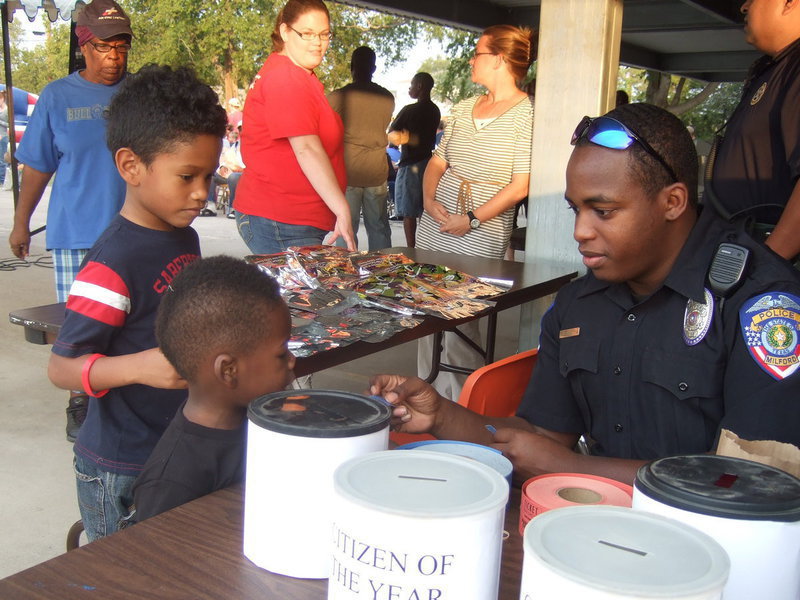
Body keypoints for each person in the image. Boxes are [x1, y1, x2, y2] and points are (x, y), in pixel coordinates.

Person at [373, 103, 800, 486]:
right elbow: (540, 439)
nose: (580, 231)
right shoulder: (578, 305)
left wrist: (573, 469)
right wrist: (443, 417)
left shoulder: (760, 304)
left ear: (672, 202)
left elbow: (759, 480)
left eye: (604, 211)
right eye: (575, 209)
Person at [46, 64, 228, 541]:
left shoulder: (184, 237)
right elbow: (62, 369)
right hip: (119, 464)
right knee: (126, 576)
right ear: (131, 166)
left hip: (174, 441)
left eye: (208, 176)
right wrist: (141, 366)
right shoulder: (113, 263)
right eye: (187, 175)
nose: (201, 193)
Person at [8, 0, 132, 442]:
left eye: (121, 46)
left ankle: (123, 397)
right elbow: (37, 167)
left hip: (135, 235)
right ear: (84, 46)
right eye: (103, 47)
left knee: (132, 325)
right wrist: (21, 222)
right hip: (76, 235)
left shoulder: (140, 94)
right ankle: (80, 401)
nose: (114, 57)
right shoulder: (58, 96)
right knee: (81, 327)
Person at [416, 25, 536, 398]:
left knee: (462, 315)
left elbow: (521, 185)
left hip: (482, 229)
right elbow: (437, 162)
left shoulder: (526, 114)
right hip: (435, 221)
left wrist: (470, 219)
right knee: (424, 307)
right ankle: (425, 390)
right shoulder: (465, 107)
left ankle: (461, 402)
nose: (472, 59)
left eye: (478, 52)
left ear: (499, 59)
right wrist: (428, 199)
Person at [131, 256, 295, 522]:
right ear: (228, 371)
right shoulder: (170, 484)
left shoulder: (263, 421)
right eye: (281, 353)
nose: (292, 360)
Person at [234, 0, 355, 254]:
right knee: (307, 295)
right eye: (307, 34)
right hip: (281, 219)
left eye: (324, 34)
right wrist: (342, 208)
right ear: (285, 32)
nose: (318, 42)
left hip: (290, 219)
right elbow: (306, 149)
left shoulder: (299, 74)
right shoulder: (286, 76)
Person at [708, 0, 800, 261]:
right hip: (742, 247)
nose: (744, 7)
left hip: (776, 266)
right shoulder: (777, 66)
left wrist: (767, 267)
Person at [327, 46, 395, 251]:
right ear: (374, 68)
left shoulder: (339, 97)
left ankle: (344, 274)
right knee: (379, 228)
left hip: (348, 173)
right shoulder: (386, 98)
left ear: (352, 67)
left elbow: (327, 134)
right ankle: (382, 271)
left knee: (346, 228)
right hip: (375, 172)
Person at [387, 72, 441, 247]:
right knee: (427, 208)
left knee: (409, 211)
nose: (410, 89)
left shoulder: (410, 110)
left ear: (419, 86)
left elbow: (392, 135)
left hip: (410, 164)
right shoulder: (434, 110)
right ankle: (426, 246)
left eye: (411, 85)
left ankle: (412, 248)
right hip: (428, 162)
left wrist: (404, 138)